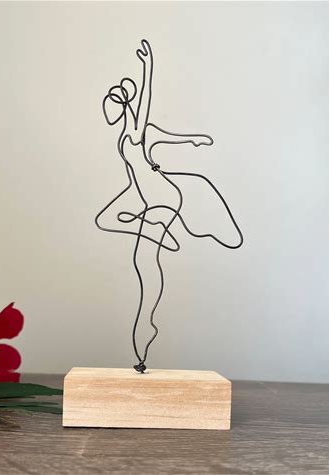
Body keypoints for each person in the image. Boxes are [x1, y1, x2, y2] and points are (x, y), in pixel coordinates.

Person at [96, 40, 243, 373]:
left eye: (116, 103)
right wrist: (192, 139)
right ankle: (153, 231)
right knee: (108, 219)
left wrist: (148, 67)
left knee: (144, 260)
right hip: (144, 195)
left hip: (162, 195)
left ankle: (146, 327)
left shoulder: (137, 131)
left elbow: (147, 106)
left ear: (125, 104)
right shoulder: (131, 135)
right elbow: (164, 141)